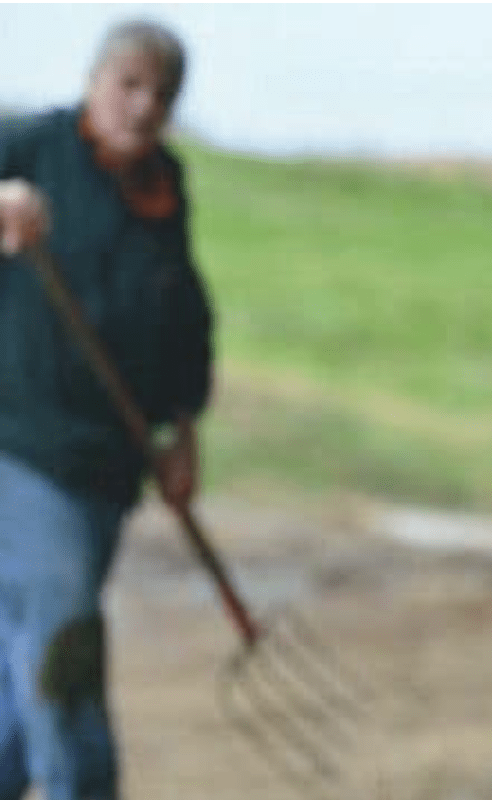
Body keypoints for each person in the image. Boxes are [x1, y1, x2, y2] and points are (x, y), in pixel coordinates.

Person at [0, 19, 213, 800]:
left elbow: (185, 314)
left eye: (162, 92)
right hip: (20, 446)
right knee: (64, 643)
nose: (143, 105)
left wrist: (183, 428)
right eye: (129, 83)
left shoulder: (162, 190)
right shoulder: (32, 148)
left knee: (16, 664)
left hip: (109, 467)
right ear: (94, 83)